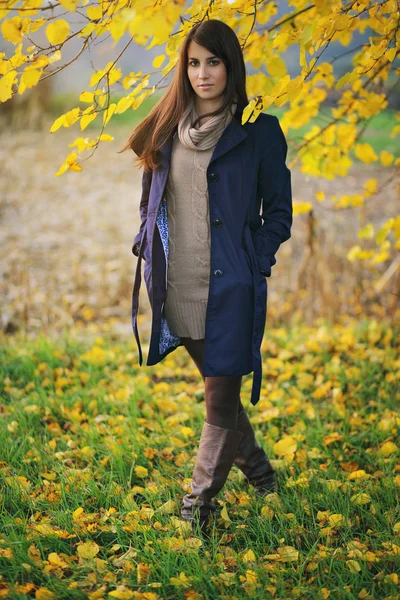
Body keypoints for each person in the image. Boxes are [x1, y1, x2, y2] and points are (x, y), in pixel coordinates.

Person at [119, 19, 293, 539]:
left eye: (212, 62)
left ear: (230, 65)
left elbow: (279, 214)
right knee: (223, 394)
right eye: (193, 63)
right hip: (178, 291)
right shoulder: (167, 125)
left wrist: (252, 264)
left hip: (230, 290)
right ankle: (263, 477)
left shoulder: (260, 130)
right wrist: (146, 245)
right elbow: (150, 200)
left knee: (218, 398)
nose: (202, 73)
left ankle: (197, 506)